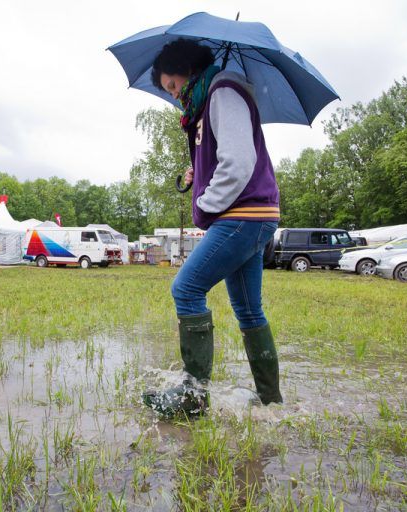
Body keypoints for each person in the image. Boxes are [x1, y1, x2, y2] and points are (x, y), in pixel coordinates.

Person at [142, 38, 283, 416]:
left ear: (187, 67)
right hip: (252, 216)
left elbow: (238, 162)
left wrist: (204, 204)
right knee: (249, 312)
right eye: (170, 91)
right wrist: (195, 175)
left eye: (173, 85)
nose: (175, 95)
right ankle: (270, 402)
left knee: (186, 289)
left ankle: (193, 398)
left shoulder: (223, 90)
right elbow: (223, 156)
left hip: (243, 216)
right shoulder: (208, 102)